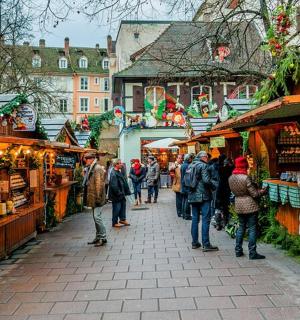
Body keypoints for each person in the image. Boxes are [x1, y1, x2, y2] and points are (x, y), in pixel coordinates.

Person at [229, 156, 267, 260]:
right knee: (252, 229)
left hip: (239, 205)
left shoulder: (231, 177)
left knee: (241, 227)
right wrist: (263, 191)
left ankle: (238, 250)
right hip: (250, 206)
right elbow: (254, 194)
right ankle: (252, 253)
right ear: (244, 165)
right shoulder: (246, 177)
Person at [188, 151, 218, 251]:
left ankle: (195, 242)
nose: (207, 159)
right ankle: (206, 244)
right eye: (207, 157)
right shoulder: (203, 166)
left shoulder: (191, 165)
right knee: (206, 219)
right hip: (203, 196)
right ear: (204, 157)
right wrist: (214, 186)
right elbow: (206, 180)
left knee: (195, 219)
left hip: (192, 196)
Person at [83, 152, 107, 247]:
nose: (86, 161)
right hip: (94, 197)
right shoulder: (92, 167)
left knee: (97, 217)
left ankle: (102, 237)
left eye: (87, 159)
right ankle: (98, 237)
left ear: (92, 159)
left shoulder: (97, 168)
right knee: (95, 217)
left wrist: (97, 198)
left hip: (97, 197)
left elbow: (99, 184)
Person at [108, 158, 131, 227]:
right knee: (116, 208)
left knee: (123, 207)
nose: (121, 164)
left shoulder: (118, 171)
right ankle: (114, 223)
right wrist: (119, 193)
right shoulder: (113, 173)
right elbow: (114, 186)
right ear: (116, 164)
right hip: (117, 195)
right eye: (120, 163)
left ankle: (122, 219)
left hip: (121, 193)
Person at [180, 153, 193, 220]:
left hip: (183, 185)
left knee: (184, 200)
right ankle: (187, 215)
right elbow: (188, 177)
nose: (191, 159)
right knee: (187, 201)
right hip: (186, 185)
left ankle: (183, 214)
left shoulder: (182, 165)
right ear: (188, 159)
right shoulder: (187, 166)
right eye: (191, 158)